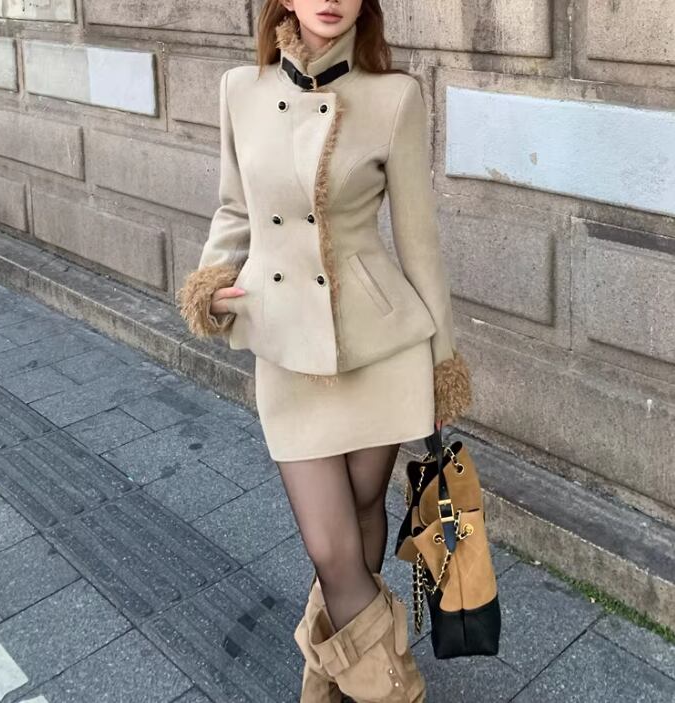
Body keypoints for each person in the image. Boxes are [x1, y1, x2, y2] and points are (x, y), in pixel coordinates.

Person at [178, 1, 472, 700]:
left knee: (363, 512)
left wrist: (443, 363)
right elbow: (234, 209)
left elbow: (419, 244)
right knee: (333, 547)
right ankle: (394, 690)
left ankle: (325, 677)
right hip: (285, 346)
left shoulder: (394, 97)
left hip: (379, 346)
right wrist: (211, 282)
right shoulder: (239, 90)